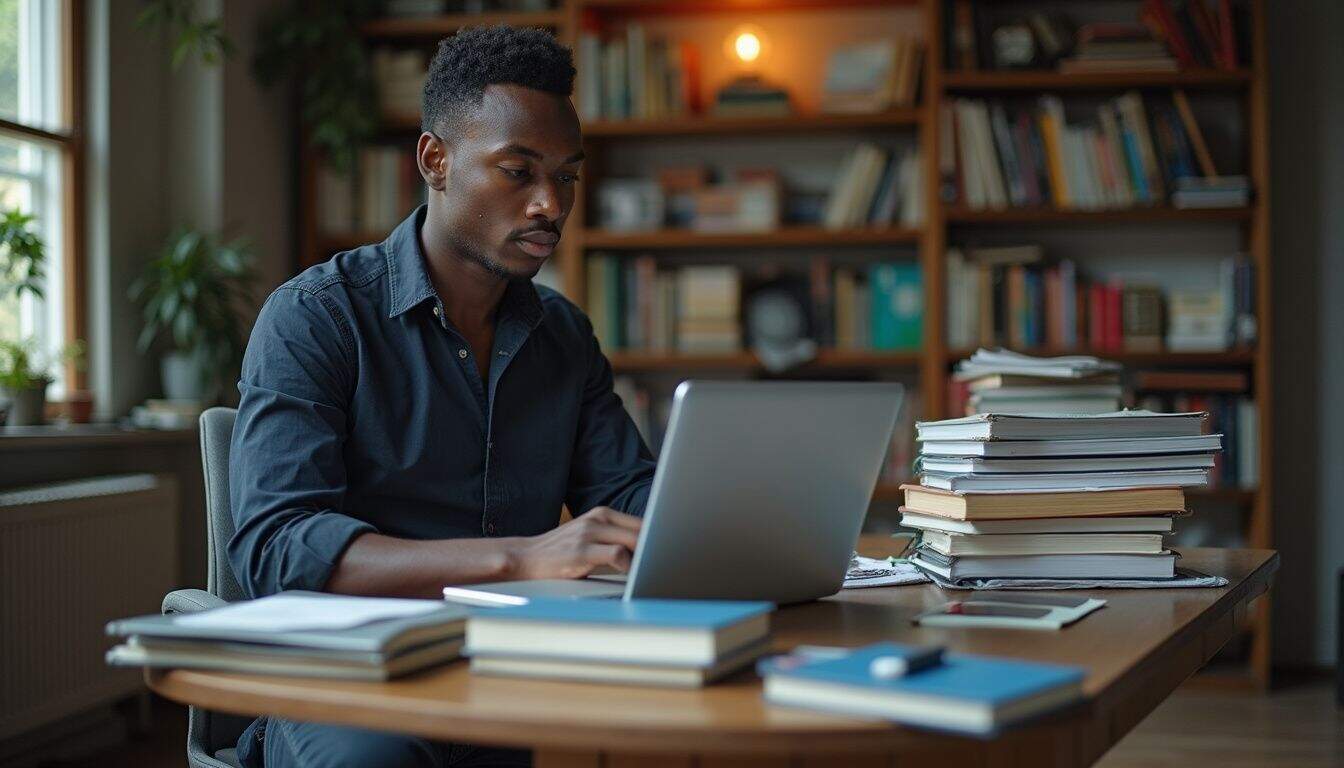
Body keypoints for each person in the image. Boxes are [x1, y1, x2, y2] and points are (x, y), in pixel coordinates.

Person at [228, 25, 655, 768]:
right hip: (347, 681)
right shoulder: (316, 317)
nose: (550, 204)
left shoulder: (563, 336)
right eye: (517, 172)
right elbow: (276, 546)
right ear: (436, 161)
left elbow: (632, 496)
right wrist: (517, 561)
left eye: (567, 176)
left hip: (508, 667)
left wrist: (711, 524)